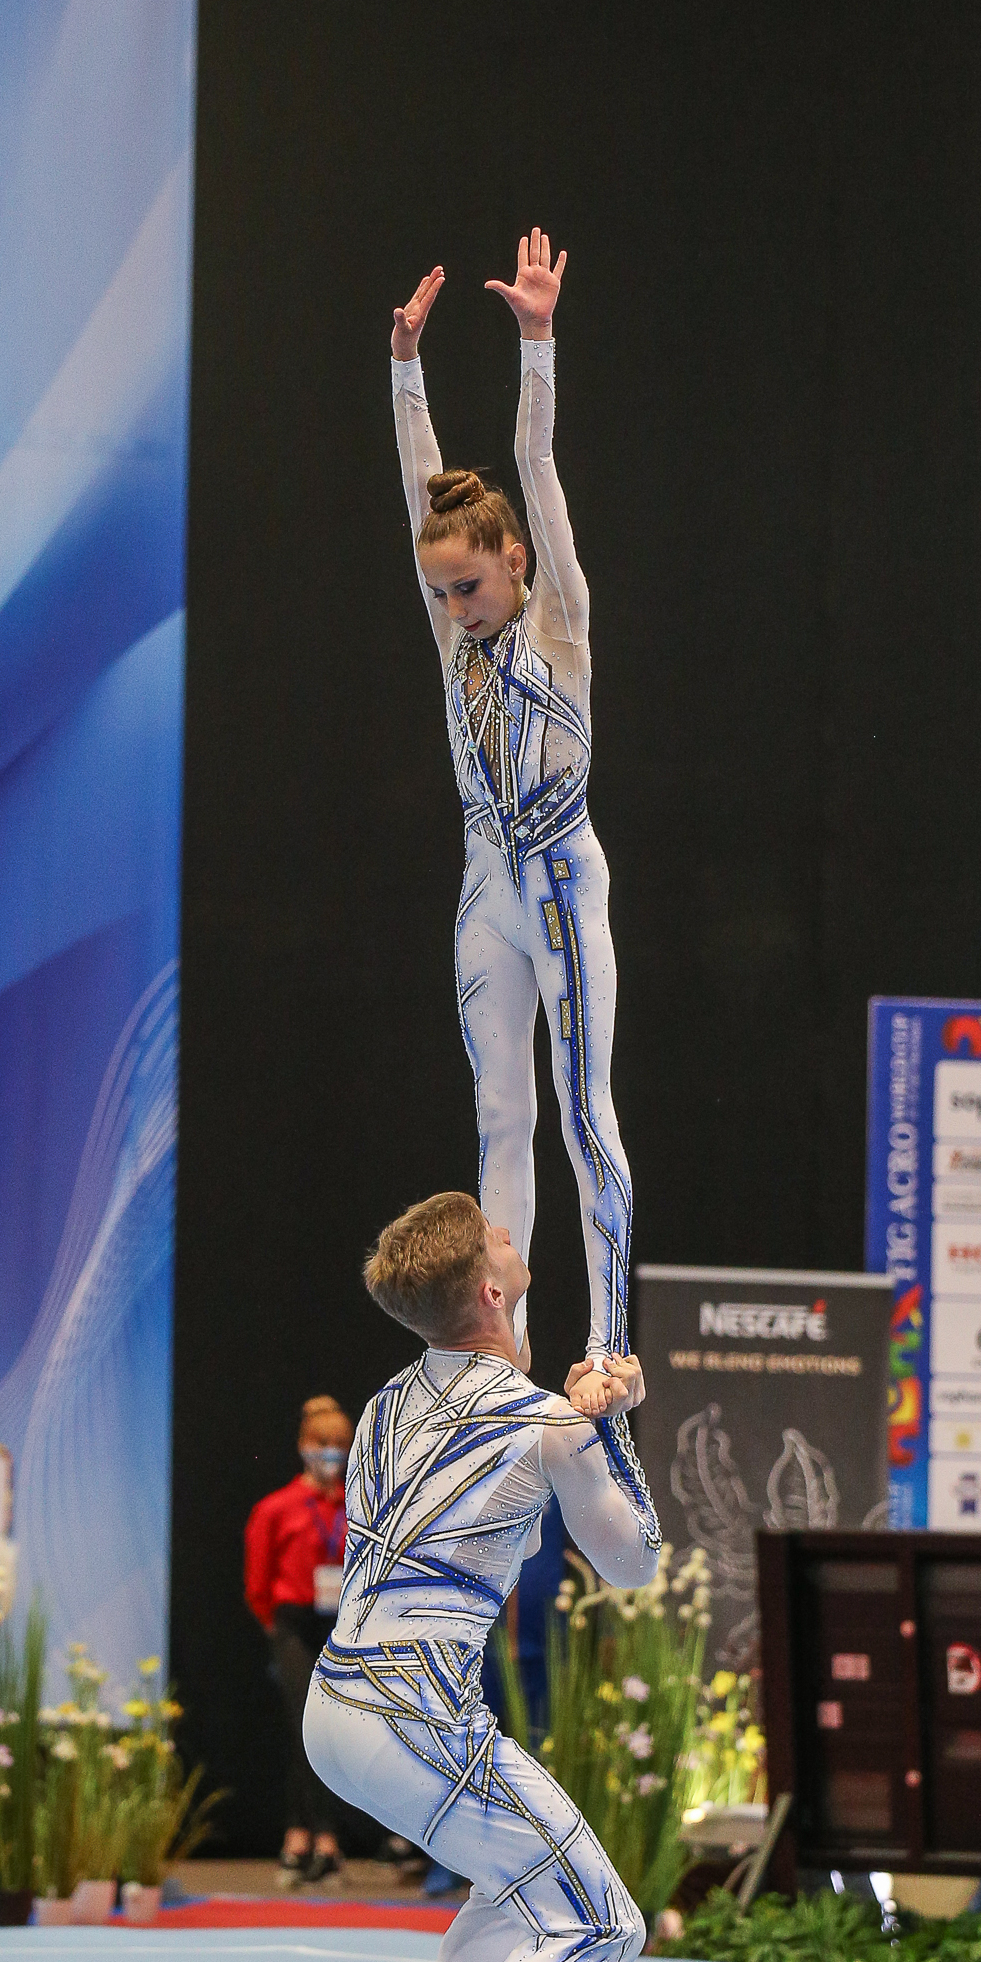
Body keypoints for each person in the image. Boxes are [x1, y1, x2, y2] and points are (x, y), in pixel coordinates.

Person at [303, 1192, 661, 1962]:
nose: (510, 1228)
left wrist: (578, 1415)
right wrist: (612, 1426)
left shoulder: (383, 1406)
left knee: (514, 1886)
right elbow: (634, 1564)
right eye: (497, 1234)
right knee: (601, 1923)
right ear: (495, 1291)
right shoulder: (546, 1423)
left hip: (335, 1706)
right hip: (414, 1718)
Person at [390, 232, 635, 1440]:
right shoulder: (453, 637)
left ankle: (608, 1339)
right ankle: (506, 1347)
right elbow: (419, 491)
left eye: (472, 588)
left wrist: (538, 341)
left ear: (518, 568)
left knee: (582, 1111)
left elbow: (536, 466)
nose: (455, 606)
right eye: (441, 591)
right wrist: (404, 370)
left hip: (562, 883)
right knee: (501, 1118)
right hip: (486, 888)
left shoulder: (560, 624)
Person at [244, 1394, 353, 1885]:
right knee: (304, 1724)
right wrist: (274, 1626)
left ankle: (300, 1836)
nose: (331, 1454)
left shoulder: (355, 1506)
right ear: (303, 1446)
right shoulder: (277, 1508)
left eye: (340, 1445)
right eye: (322, 1444)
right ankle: (322, 1837)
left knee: (325, 1731)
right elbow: (257, 1581)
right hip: (292, 1625)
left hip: (338, 1624)